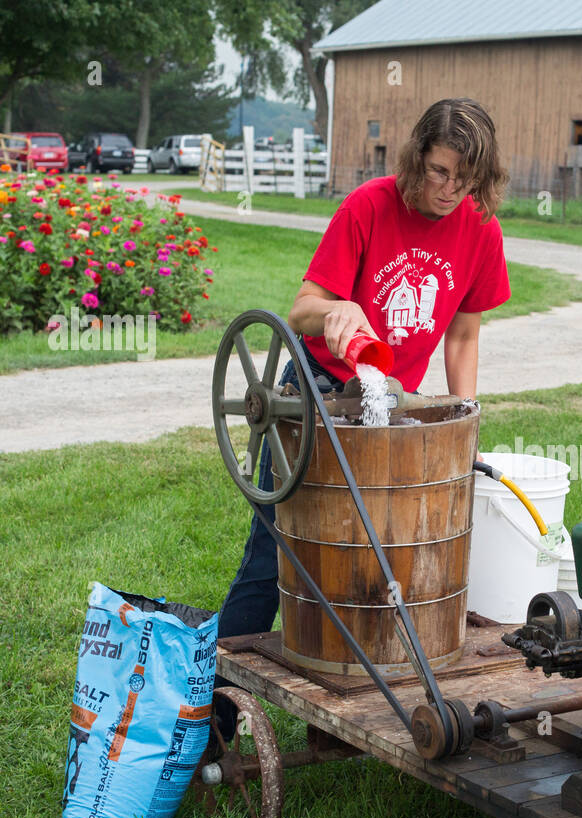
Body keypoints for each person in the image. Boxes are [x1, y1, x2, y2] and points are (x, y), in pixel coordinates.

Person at [212, 98, 511, 741]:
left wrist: (463, 417)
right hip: (314, 394)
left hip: (387, 403)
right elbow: (300, 311)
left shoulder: (479, 228)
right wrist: (338, 310)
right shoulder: (370, 208)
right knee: (280, 549)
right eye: (437, 172)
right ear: (415, 159)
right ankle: (211, 712)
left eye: (464, 179)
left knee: (376, 556)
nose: (448, 190)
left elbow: (462, 334)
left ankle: (343, 712)